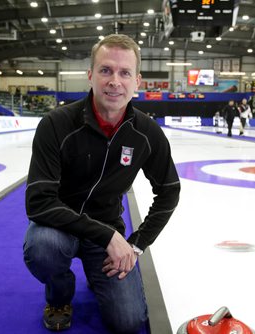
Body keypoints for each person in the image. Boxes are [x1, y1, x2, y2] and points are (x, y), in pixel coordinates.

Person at [24, 34, 180, 333]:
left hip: (107, 232)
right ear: (90, 76)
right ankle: (60, 293)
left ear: (137, 81)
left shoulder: (147, 133)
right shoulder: (56, 124)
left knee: (128, 321)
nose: (114, 81)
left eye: (124, 73)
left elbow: (170, 191)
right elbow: (38, 202)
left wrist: (136, 245)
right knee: (43, 248)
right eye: (105, 70)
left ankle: (100, 276)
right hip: (59, 227)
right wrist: (108, 237)